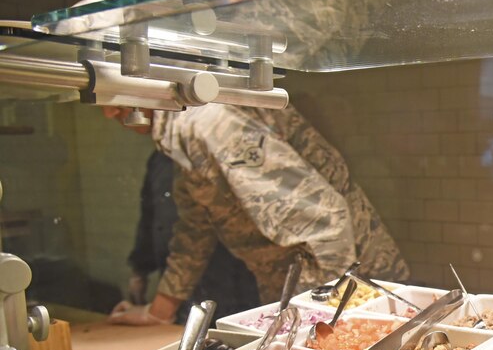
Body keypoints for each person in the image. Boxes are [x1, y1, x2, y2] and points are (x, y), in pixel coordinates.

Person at [105, 102, 409, 325]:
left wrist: (319, 324)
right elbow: (195, 228)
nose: (109, 112)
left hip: (355, 285)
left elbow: (324, 222)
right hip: (307, 290)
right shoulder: (184, 131)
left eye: (109, 95)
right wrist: (159, 312)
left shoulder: (210, 123)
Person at [124, 149, 261, 321]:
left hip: (227, 271)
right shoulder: (161, 158)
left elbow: (198, 228)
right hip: (177, 276)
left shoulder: (216, 151)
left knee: (230, 326)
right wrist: (140, 269)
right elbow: (151, 216)